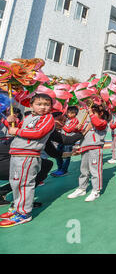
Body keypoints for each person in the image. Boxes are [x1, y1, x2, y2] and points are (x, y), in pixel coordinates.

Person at [0, 94, 55, 227]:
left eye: (46, 104)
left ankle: (24, 213)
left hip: (28, 155)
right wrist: (7, 121)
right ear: (31, 106)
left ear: (51, 107)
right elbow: (17, 128)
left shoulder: (48, 118)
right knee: (15, 183)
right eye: (39, 104)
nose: (43, 107)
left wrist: (16, 131)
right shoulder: (30, 117)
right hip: (16, 154)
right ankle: (17, 207)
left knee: (25, 185)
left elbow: (38, 133)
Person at [67, 105, 109, 201]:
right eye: (90, 113)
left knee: (95, 170)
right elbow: (81, 133)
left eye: (94, 113)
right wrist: (78, 128)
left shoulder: (103, 122)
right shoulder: (89, 122)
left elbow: (97, 123)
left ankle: (96, 191)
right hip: (85, 148)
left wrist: (90, 113)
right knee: (83, 170)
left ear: (101, 114)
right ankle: (82, 188)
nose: (90, 115)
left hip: (95, 149)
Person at [52, 106, 79, 177]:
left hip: (69, 140)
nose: (68, 114)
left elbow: (68, 129)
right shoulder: (67, 119)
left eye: (70, 113)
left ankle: (64, 170)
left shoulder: (75, 120)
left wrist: (59, 123)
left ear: (75, 114)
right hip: (62, 139)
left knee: (66, 156)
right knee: (58, 154)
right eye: (68, 112)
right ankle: (59, 169)